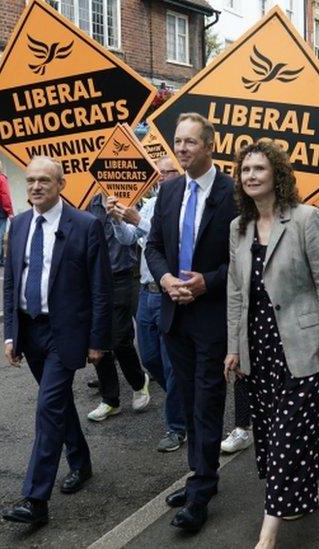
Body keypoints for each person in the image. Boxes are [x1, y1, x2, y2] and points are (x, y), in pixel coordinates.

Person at [224, 139, 319, 548]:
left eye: (259, 168)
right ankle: (305, 492)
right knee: (275, 434)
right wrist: (234, 346)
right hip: (258, 344)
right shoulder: (238, 228)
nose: (251, 176)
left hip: (301, 342)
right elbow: (236, 292)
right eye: (245, 170)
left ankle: (268, 534)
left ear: (277, 174)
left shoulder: (306, 219)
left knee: (291, 433)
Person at [0, 156, 113, 526]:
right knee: (58, 402)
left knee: (47, 407)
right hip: (29, 331)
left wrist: (98, 340)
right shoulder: (17, 225)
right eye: (31, 180)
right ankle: (80, 461)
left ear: (61, 184)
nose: (35, 187)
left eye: (44, 180)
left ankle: (36, 500)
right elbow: (11, 283)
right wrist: (10, 333)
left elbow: (100, 288)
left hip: (66, 333)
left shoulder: (85, 225)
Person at [144, 112, 238, 532]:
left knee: (207, 403)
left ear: (210, 145)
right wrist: (165, 279)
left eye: (190, 142)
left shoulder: (234, 195)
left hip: (212, 317)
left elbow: (243, 260)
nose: (182, 149)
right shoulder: (169, 192)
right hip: (173, 314)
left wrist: (207, 283)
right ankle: (201, 475)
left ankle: (200, 491)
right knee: (185, 399)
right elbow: (154, 246)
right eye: (178, 142)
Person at [115, 156, 187, 452]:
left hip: (169, 292)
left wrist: (138, 220)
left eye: (168, 172)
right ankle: (183, 400)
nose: (161, 177)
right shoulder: (151, 203)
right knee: (150, 358)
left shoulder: (183, 204)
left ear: (179, 174)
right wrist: (117, 219)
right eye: (158, 172)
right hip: (146, 291)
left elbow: (173, 242)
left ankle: (177, 427)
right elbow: (128, 239)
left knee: (171, 363)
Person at [85, 192, 151, 420]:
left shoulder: (130, 194)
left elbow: (140, 233)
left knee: (121, 338)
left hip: (122, 275)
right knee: (98, 340)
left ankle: (139, 381)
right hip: (93, 278)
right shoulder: (87, 201)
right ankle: (110, 400)